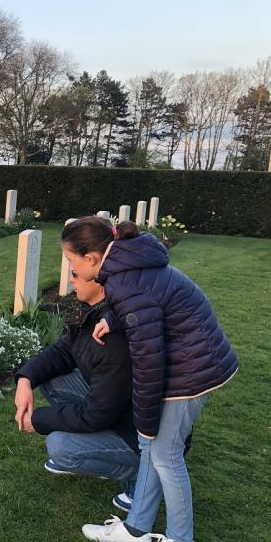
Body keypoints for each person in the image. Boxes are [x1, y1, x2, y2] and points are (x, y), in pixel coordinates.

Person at [61, 217, 239, 542]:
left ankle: (179, 537)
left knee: (165, 455)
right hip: (191, 357)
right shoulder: (126, 267)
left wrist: (145, 421)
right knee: (152, 448)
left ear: (90, 258)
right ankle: (134, 529)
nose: (71, 271)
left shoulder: (122, 281)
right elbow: (150, 300)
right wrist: (114, 319)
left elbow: (147, 361)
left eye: (71, 261)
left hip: (193, 369)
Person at [14, 267, 139, 512]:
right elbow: (63, 351)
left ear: (100, 283)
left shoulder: (114, 337)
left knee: (61, 447)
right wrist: (25, 378)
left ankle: (140, 476)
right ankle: (96, 443)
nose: (71, 278)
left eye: (76, 272)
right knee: (51, 379)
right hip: (113, 407)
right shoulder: (95, 313)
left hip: (135, 434)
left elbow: (96, 414)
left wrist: (37, 420)